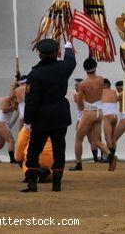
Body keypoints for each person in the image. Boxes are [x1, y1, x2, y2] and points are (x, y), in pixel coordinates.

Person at [21, 38, 76, 193]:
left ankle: (32, 184)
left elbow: (31, 100)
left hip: (41, 117)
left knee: (33, 150)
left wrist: (27, 120)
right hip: (60, 115)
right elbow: (71, 61)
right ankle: (57, 184)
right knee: (59, 150)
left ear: (39, 55)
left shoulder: (35, 74)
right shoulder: (63, 68)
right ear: (55, 53)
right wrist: (68, 48)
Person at [71, 58, 107, 171]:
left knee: (78, 139)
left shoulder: (83, 84)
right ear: (95, 67)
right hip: (99, 112)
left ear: (85, 69)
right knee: (96, 140)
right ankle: (110, 155)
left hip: (89, 112)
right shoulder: (101, 80)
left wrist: (81, 109)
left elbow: (80, 101)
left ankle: (78, 164)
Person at [0, 83, 18, 164]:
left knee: (0, 145)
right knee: (11, 141)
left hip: (4, 124)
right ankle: (12, 160)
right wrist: (13, 106)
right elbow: (4, 110)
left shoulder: (14, 101)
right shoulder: (6, 99)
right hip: (2, 123)